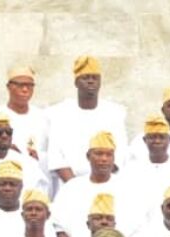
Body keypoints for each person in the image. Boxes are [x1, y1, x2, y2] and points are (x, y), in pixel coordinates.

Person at [45, 56, 128, 184]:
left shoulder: (115, 113)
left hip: (107, 184)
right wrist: (77, 187)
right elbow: (56, 156)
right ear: (76, 82)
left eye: (95, 78)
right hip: (69, 186)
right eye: (85, 78)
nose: (90, 81)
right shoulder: (59, 113)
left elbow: (120, 153)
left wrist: (98, 183)